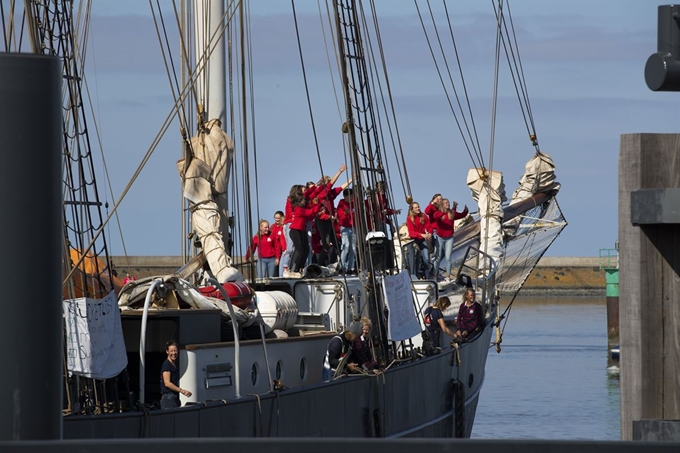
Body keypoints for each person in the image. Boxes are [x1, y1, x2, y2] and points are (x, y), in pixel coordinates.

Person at [287, 185, 322, 277]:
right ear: (299, 201)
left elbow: (309, 195)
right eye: (302, 200)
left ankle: (300, 268)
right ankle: (293, 269)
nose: (304, 201)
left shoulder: (302, 207)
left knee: (306, 250)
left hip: (301, 230)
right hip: (295, 231)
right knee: (300, 250)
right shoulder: (298, 209)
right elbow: (309, 212)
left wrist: (317, 187)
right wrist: (320, 205)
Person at [432, 198, 468, 281]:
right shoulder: (438, 213)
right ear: (442, 205)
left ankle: (448, 276)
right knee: (437, 257)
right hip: (440, 237)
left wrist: (465, 210)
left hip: (449, 238)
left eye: (448, 202)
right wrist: (444, 212)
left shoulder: (451, 213)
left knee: (448, 258)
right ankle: (435, 274)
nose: (448, 204)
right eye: (446, 203)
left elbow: (462, 215)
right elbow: (435, 216)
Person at [160, 340, 192, 409]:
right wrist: (182, 391)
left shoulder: (174, 364)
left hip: (174, 397)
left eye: (175, 351)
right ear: (167, 352)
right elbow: (167, 383)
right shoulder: (167, 365)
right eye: (171, 351)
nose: (174, 353)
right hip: (168, 398)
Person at [406, 202, 432, 279]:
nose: (418, 209)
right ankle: (415, 276)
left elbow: (429, 226)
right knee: (415, 260)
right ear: (412, 210)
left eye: (418, 207)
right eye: (416, 208)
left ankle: (427, 277)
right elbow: (411, 233)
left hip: (422, 240)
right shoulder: (410, 218)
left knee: (426, 259)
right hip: (414, 240)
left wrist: (430, 233)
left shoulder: (423, 216)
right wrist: (421, 234)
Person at [336, 187, 356, 274]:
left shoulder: (354, 203)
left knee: (353, 248)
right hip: (344, 227)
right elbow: (341, 215)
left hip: (353, 227)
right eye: (350, 196)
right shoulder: (341, 204)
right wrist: (348, 212)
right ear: (345, 196)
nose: (351, 198)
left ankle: (350, 267)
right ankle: (342, 266)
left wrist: (348, 211)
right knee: (346, 246)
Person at [271, 211, 286, 277]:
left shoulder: (284, 227)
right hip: (274, 252)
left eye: (278, 218)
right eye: (275, 218)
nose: (277, 219)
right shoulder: (272, 227)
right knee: (274, 271)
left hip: (282, 251)